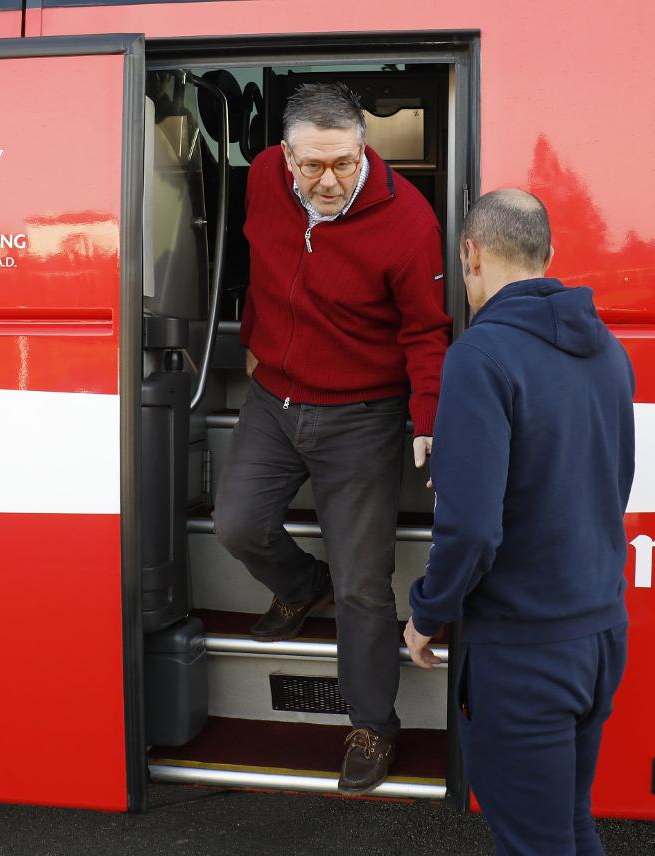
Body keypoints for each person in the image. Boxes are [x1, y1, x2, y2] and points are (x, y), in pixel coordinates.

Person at [212, 82, 452, 794]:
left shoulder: (407, 220)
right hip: (273, 397)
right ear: (284, 156)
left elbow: (426, 330)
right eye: (311, 165)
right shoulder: (261, 178)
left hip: (362, 413)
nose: (327, 180)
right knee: (236, 525)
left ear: (363, 148)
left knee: (364, 587)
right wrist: (256, 342)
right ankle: (298, 582)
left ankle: (374, 724)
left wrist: (430, 418)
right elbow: (260, 263)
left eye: (343, 163)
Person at [404, 188, 635, 855]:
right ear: (549, 256)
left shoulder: (481, 356)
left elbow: (472, 528)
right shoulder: (608, 352)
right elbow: (606, 484)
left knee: (536, 844)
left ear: (469, 254)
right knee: (566, 829)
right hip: (597, 633)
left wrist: (427, 611)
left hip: (523, 651)